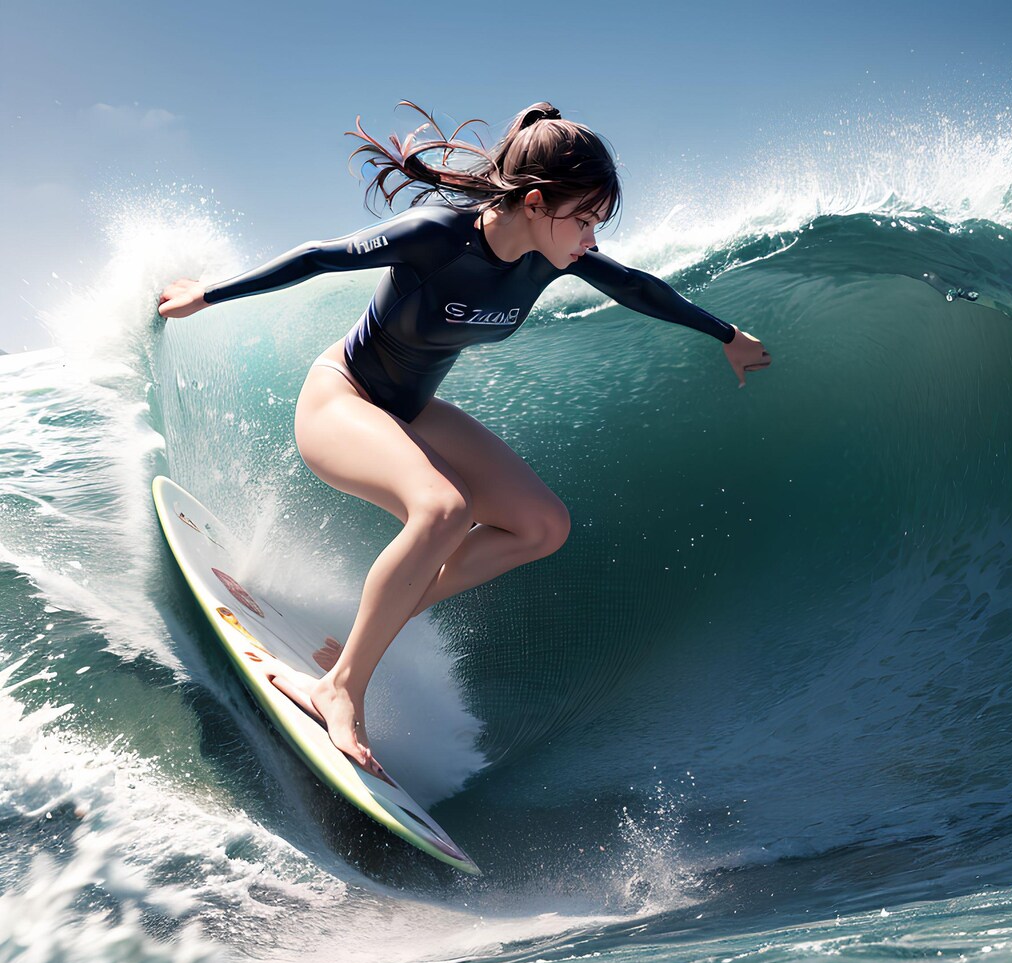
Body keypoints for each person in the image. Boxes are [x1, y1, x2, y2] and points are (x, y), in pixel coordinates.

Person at [158, 101, 771, 771]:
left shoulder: (552, 257)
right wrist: (207, 295)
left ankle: (362, 638)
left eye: (598, 223)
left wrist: (727, 336)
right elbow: (319, 257)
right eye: (586, 219)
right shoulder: (436, 235)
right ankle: (338, 689)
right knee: (443, 509)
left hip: (414, 408)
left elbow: (638, 288)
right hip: (342, 396)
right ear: (536, 201)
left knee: (542, 526)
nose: (592, 238)